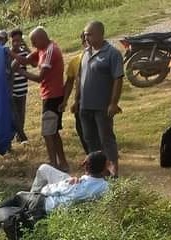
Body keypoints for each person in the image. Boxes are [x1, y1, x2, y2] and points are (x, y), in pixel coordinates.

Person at [0, 151, 109, 240]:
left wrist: (65, 182)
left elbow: (47, 191)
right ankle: (27, 200)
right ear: (103, 168)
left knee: (19, 196)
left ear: (86, 167)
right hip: (60, 205)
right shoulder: (104, 187)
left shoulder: (73, 184)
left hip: (44, 204)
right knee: (44, 169)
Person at [75, 21, 125, 178]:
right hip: (85, 106)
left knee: (106, 139)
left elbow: (118, 79)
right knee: (90, 139)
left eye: (89, 34)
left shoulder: (112, 54)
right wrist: (77, 100)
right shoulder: (85, 53)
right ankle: (96, 171)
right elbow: (79, 78)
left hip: (102, 106)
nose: (86, 37)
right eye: (85, 34)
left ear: (100, 34)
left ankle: (113, 171)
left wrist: (113, 103)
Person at [18, 26, 69, 172]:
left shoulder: (50, 51)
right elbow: (27, 60)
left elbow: (40, 78)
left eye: (34, 41)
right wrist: (12, 55)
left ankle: (54, 165)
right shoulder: (42, 49)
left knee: (48, 133)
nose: (33, 45)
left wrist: (21, 72)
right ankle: (62, 163)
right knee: (53, 132)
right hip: (50, 95)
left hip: (53, 96)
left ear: (42, 38)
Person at [63, 33, 90, 154]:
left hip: (98, 103)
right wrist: (65, 101)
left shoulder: (102, 58)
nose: (87, 42)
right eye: (85, 40)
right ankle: (90, 156)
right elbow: (69, 83)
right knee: (82, 132)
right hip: (80, 103)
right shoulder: (75, 61)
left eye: (89, 39)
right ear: (82, 43)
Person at [10, 29, 31, 144]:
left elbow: (34, 61)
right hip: (12, 88)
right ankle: (22, 136)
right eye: (14, 41)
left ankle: (19, 134)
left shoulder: (23, 52)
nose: (16, 43)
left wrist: (26, 46)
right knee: (15, 114)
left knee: (21, 113)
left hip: (22, 87)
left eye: (18, 40)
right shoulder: (8, 53)